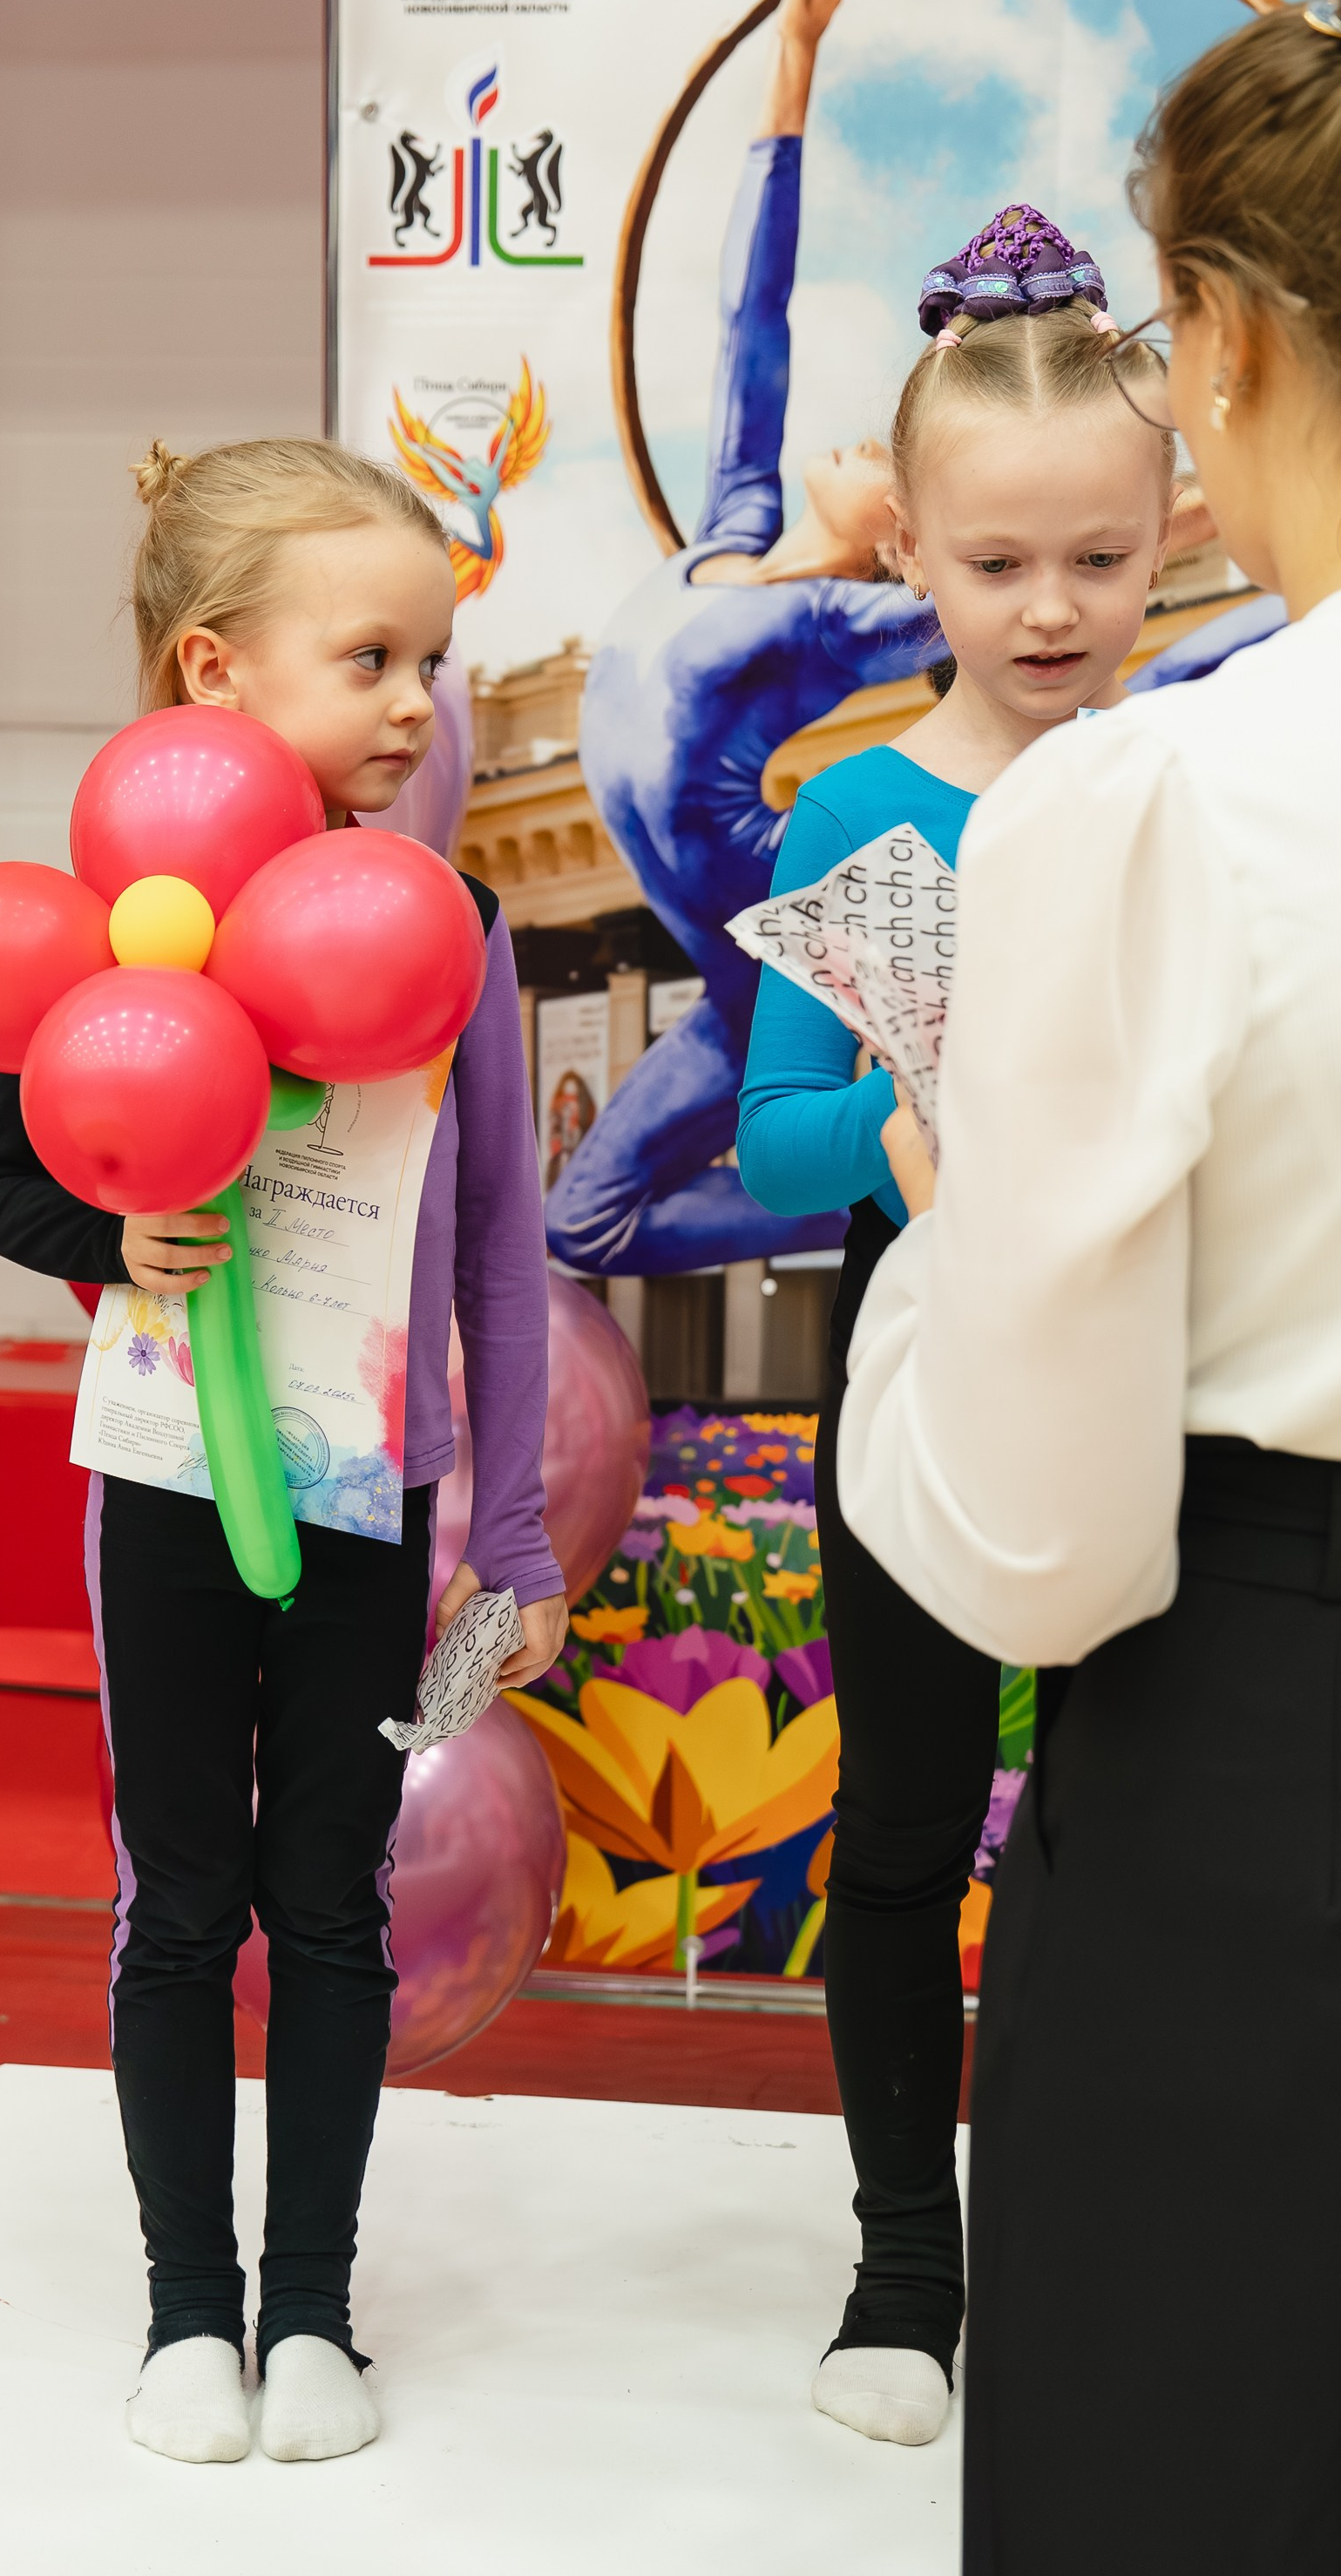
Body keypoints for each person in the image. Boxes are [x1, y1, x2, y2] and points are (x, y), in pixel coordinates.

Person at [833, 0, 1341, 2569]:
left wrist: (944, 1227)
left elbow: (1038, 1546)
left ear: (1217, 345)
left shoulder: (1163, 799)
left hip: (1254, 1763)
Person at [0, 437, 567, 2467]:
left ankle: (310, 2308)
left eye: (431, 663)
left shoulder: (451, 925)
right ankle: (183, 2313)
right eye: (371, 658)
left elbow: (496, 1246)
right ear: (216, 671)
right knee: (179, 1898)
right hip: (163, 1482)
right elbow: (2, 1182)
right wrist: (115, 1228)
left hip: (369, 1494)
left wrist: (512, 1531)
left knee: (330, 1900)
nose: (415, 704)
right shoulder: (116, 930)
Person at [735, 206, 1180, 2449]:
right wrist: (902, 1141)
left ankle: (1112, 2248)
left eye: (1098, 559)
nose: (1050, 610)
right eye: (998, 563)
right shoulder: (858, 807)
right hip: (914, 1386)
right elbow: (771, 1141)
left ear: (1171, 532)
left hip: (1155, 1382)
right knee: (906, 1827)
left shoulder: (1187, 785)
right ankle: (907, 2265)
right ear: (907, 550)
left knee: (1133, 1834)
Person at [548, 0, 943, 1280]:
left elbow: (1015, 584)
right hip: (729, 975)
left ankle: (929, 1179)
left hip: (771, 937)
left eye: (892, 457)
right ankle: (917, 1181)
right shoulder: (731, 523)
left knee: (590, 1219)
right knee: (577, 1220)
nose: (863, 438)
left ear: (907, 539)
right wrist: (794, 62)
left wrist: (1184, 515)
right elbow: (749, 315)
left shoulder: (845, 622)